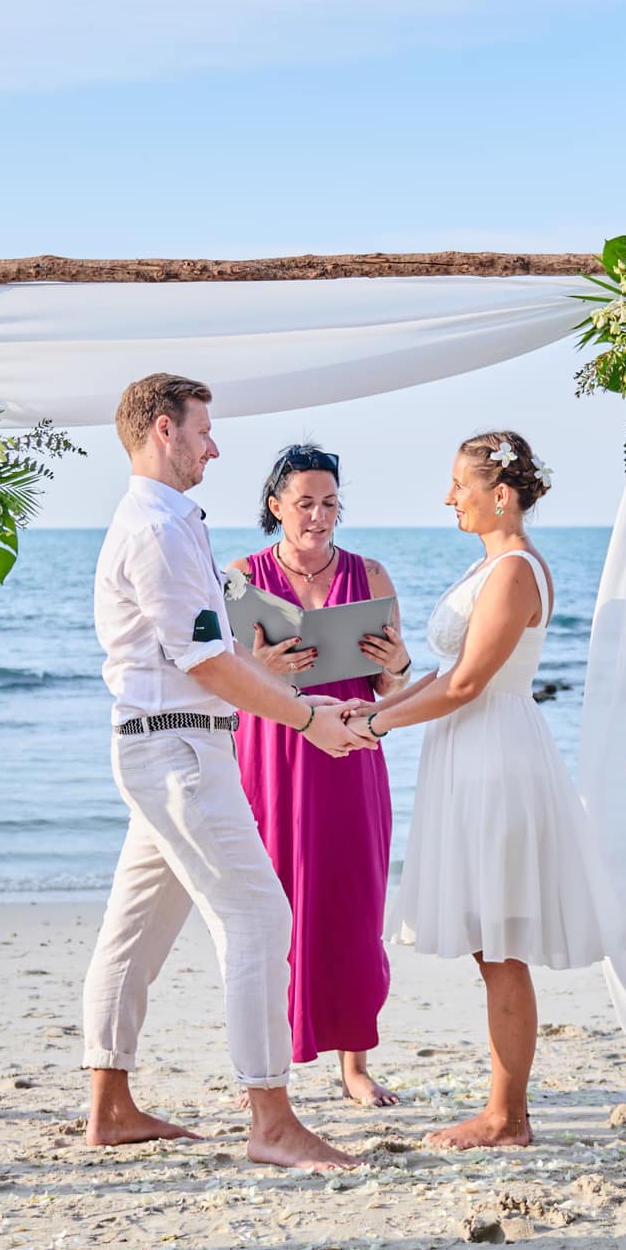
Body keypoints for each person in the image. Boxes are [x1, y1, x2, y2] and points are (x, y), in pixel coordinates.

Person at [80, 374, 371, 1170]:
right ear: (162, 431)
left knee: (135, 926)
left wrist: (312, 708)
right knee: (258, 918)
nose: (215, 445)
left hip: (170, 743)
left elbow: (224, 650)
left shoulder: (171, 522)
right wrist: (309, 720)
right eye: (204, 430)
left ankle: (109, 1106)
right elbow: (205, 662)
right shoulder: (159, 527)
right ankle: (271, 1119)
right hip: (177, 747)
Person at [348, 431, 620, 1150]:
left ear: (499, 494)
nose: (447, 498)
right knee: (487, 944)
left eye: (457, 486)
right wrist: (371, 714)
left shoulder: (514, 572)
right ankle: (505, 1108)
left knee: (500, 944)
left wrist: (376, 721)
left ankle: (507, 1116)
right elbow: (447, 674)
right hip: (467, 754)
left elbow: (470, 684)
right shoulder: (491, 566)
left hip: (496, 759)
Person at [230, 444, 410, 1107]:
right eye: (304, 502)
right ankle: (263, 1069)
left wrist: (396, 663)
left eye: (329, 502)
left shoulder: (371, 573)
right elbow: (220, 683)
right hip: (270, 759)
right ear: (275, 505)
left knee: (352, 906)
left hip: (351, 758)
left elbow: (393, 684)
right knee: (268, 912)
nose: (318, 515)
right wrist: (264, 672)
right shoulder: (240, 578)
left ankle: (355, 1067)